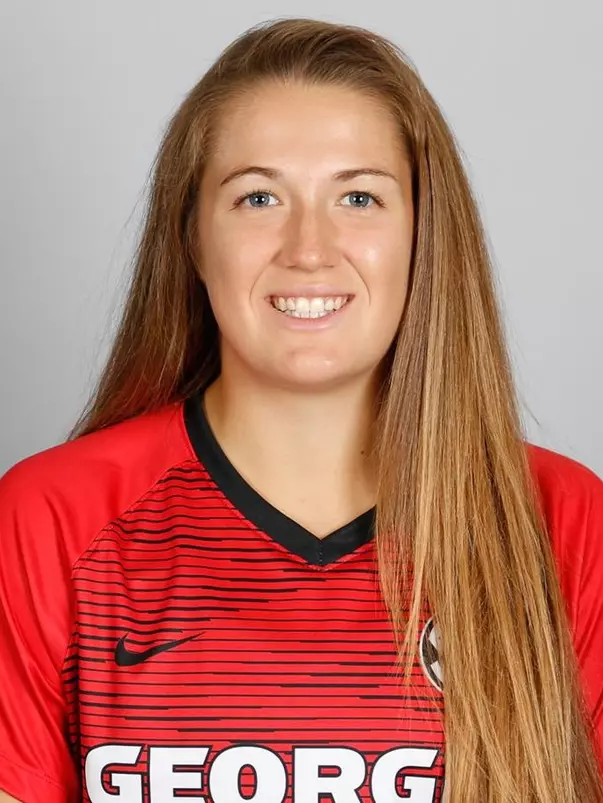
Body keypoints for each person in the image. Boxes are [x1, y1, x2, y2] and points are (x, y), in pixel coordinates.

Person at [0, 16, 602, 803]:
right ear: (193, 238)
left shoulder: (559, 521)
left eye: (358, 196)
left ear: (422, 235)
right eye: (258, 197)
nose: (309, 248)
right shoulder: (52, 518)